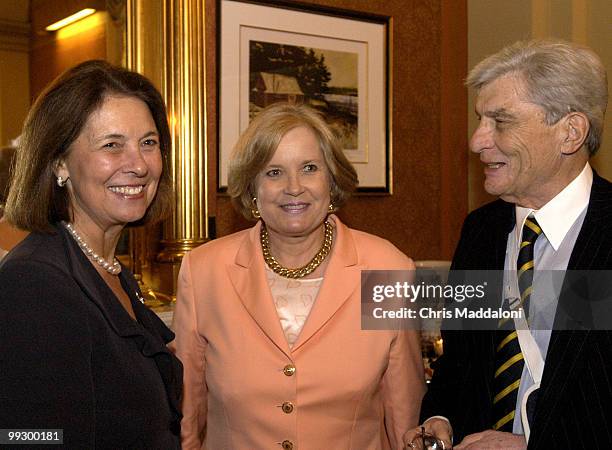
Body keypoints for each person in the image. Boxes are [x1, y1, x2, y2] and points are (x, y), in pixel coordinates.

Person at [173, 102, 425, 449]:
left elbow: (405, 417)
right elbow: (187, 413)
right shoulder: (204, 271)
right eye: (273, 172)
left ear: (332, 180)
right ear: (253, 188)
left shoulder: (387, 270)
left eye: (309, 168)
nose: (294, 187)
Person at [405, 39, 611, 449]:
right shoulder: (482, 230)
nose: (477, 141)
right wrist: (441, 417)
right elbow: (461, 361)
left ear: (570, 132)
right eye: (481, 120)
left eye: (501, 121)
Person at [0, 60, 183, 448]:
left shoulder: (110, 272)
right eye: (112, 145)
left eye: (148, 143)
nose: (138, 165)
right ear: (59, 162)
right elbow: (29, 438)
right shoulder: (34, 283)